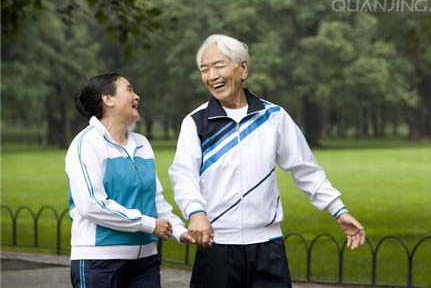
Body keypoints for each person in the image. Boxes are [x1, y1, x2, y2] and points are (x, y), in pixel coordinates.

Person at [169, 34, 366, 288]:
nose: (211, 75)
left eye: (219, 65)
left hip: (267, 247)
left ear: (243, 68)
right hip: (216, 245)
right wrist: (196, 213)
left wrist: (338, 209)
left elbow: (305, 169)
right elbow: (183, 175)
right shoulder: (196, 121)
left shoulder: (273, 116)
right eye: (204, 70)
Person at [65, 73, 195, 288]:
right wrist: (148, 224)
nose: (137, 96)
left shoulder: (142, 143)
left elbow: (155, 200)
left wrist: (181, 231)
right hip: (99, 262)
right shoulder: (86, 144)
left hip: (145, 263)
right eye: (129, 89)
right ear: (108, 99)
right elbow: (92, 204)